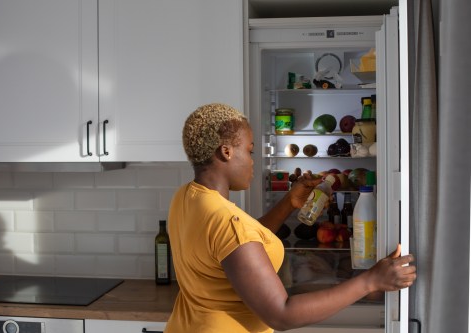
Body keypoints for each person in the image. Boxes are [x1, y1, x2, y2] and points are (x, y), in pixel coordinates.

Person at [164, 103, 416, 333]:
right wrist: (370, 281)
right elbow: (282, 314)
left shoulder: (186, 197)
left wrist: (289, 203)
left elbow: (235, 246)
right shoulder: (229, 223)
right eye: (250, 151)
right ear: (227, 151)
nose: (253, 161)